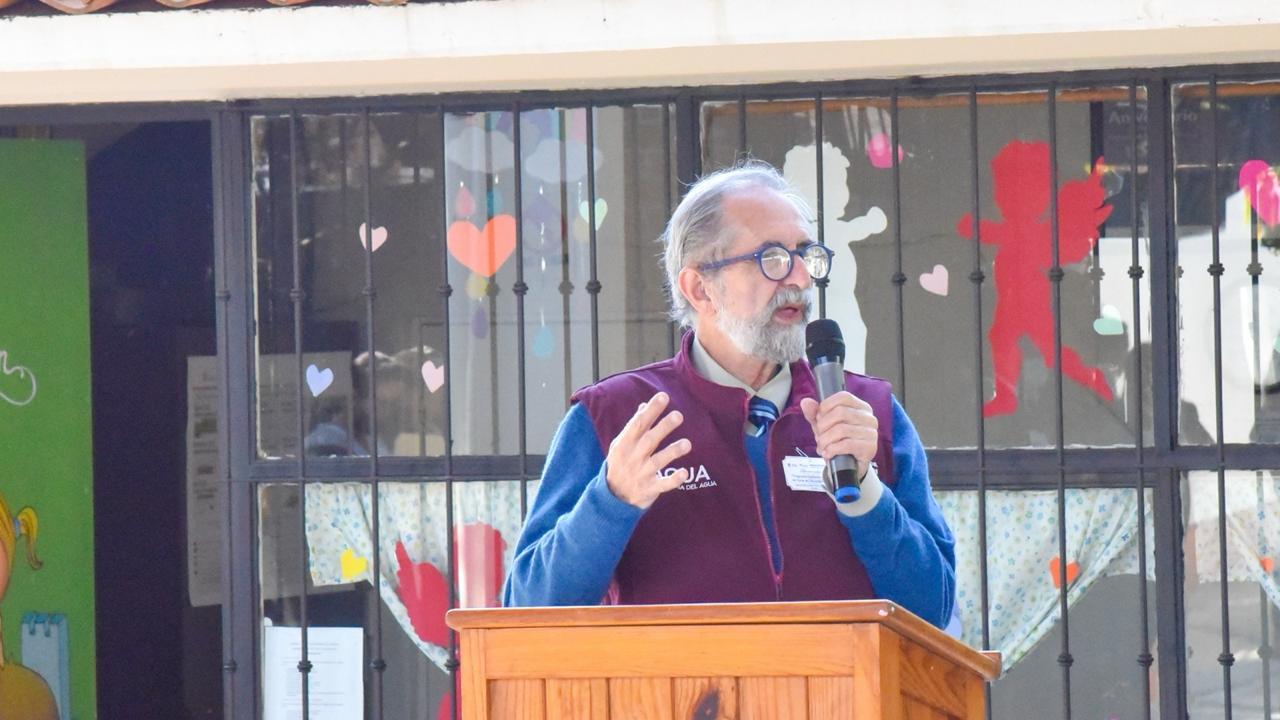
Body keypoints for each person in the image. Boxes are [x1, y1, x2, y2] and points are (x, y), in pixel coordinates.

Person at [501, 161, 955, 628]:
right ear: (700, 288)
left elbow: (934, 609)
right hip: (677, 701)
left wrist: (867, 495)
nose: (799, 277)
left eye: (806, 254)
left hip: (847, 700)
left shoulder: (867, 415)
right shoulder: (614, 416)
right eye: (772, 257)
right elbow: (527, 608)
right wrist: (611, 500)